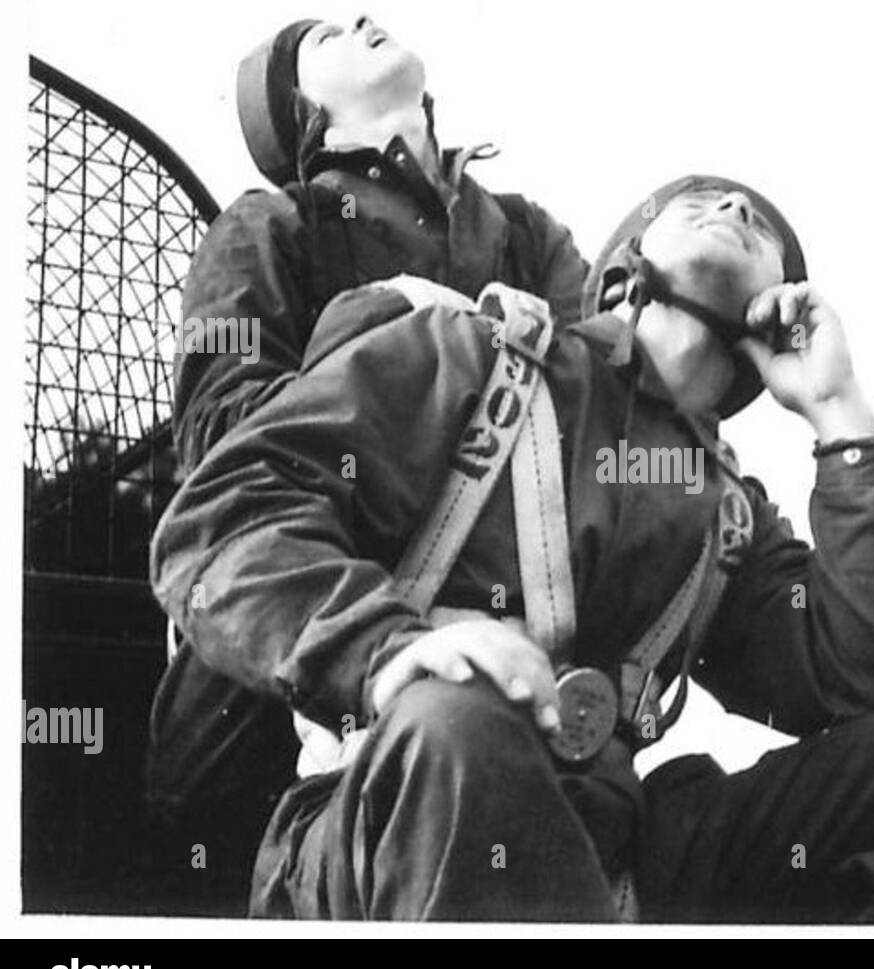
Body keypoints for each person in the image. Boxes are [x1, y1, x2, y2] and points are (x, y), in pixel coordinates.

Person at [151, 174, 874, 922]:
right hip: (381, 826)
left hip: (617, 861)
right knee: (459, 715)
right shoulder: (467, 354)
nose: (731, 204)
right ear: (623, 263)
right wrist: (387, 652)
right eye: (701, 200)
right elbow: (221, 518)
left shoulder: (726, 516)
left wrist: (842, 419)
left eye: (762, 227)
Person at [147, 16, 587, 906]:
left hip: (529, 688)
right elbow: (220, 441)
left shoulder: (524, 235)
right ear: (301, 115)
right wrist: (412, 343)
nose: (356, 16)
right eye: (319, 39)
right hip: (284, 715)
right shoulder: (270, 226)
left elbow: (603, 420)